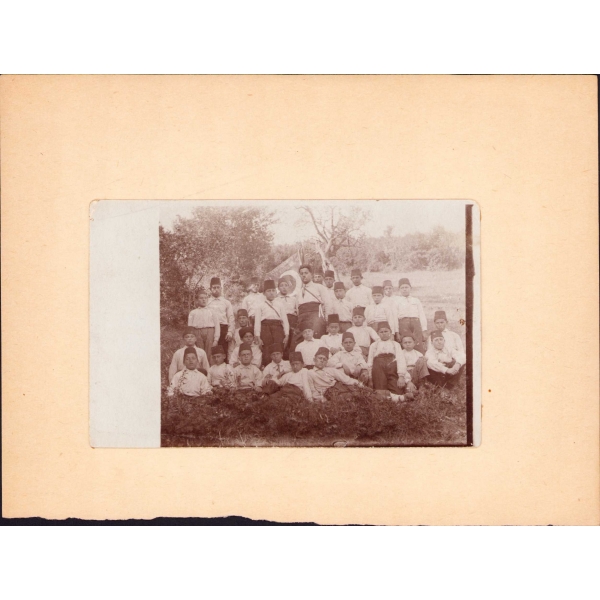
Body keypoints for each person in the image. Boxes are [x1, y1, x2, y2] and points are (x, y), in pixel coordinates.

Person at [367, 322, 411, 402]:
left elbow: (400, 360)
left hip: (392, 367)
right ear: (378, 333)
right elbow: (370, 362)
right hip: (378, 368)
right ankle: (388, 399)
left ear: (390, 332)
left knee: (398, 390)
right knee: (380, 390)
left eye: (386, 331)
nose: (384, 333)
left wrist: (401, 376)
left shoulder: (395, 344)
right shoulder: (374, 345)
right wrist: (370, 378)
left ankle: (396, 398)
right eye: (381, 332)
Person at [254, 279, 289, 367]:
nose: (271, 293)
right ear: (264, 293)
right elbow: (257, 321)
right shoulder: (260, 305)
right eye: (269, 291)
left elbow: (285, 320)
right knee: (267, 349)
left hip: (278, 328)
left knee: (279, 348)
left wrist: (287, 334)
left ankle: (281, 369)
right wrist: (258, 336)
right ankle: (268, 369)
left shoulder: (280, 304)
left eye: (273, 291)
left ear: (276, 292)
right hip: (265, 328)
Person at [295, 264, 331, 344]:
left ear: (311, 274)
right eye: (301, 273)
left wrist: (327, 321)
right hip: (303, 320)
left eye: (306, 273)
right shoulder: (299, 292)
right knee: (303, 342)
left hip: (316, 318)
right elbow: (298, 309)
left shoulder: (319, 287)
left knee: (317, 340)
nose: (304, 275)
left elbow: (327, 304)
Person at [187, 290, 220, 363]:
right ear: (197, 300)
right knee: (199, 353)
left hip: (210, 332)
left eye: (205, 298)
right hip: (197, 333)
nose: (203, 300)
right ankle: (200, 368)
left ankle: (210, 369)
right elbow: (190, 328)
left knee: (210, 353)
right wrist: (192, 339)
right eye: (201, 298)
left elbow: (217, 326)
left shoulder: (212, 311)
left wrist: (216, 339)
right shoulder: (193, 313)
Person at [396, 278, 428, 352]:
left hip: (415, 322)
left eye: (406, 287)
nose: (404, 289)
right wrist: (397, 332)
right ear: (399, 289)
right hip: (403, 323)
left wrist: (424, 330)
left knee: (417, 342)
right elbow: (395, 317)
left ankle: (419, 357)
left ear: (410, 288)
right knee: (406, 342)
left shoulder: (416, 300)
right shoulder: (396, 301)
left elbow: (421, 314)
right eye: (402, 288)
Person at [207, 277, 235, 361]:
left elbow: (231, 318)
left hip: (223, 329)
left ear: (221, 288)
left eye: (218, 287)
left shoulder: (226, 302)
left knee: (223, 352)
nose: (216, 289)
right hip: (211, 329)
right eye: (214, 288)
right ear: (210, 289)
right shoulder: (207, 302)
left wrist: (230, 332)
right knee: (210, 352)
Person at [400, 334, 430, 399]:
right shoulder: (401, 354)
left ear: (414, 343)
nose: (407, 344)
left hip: (417, 374)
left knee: (422, 359)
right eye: (405, 343)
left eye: (409, 342)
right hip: (406, 374)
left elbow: (422, 365)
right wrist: (408, 381)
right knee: (410, 391)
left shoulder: (418, 353)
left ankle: (422, 384)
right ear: (402, 344)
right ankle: (412, 391)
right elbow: (401, 369)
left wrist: (424, 359)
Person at [276, 277, 299, 357]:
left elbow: (297, 311)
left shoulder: (293, 298)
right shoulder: (276, 299)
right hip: (282, 321)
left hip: (292, 321)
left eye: (286, 285)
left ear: (289, 287)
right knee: (284, 340)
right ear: (278, 288)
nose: (284, 287)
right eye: (281, 285)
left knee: (293, 340)